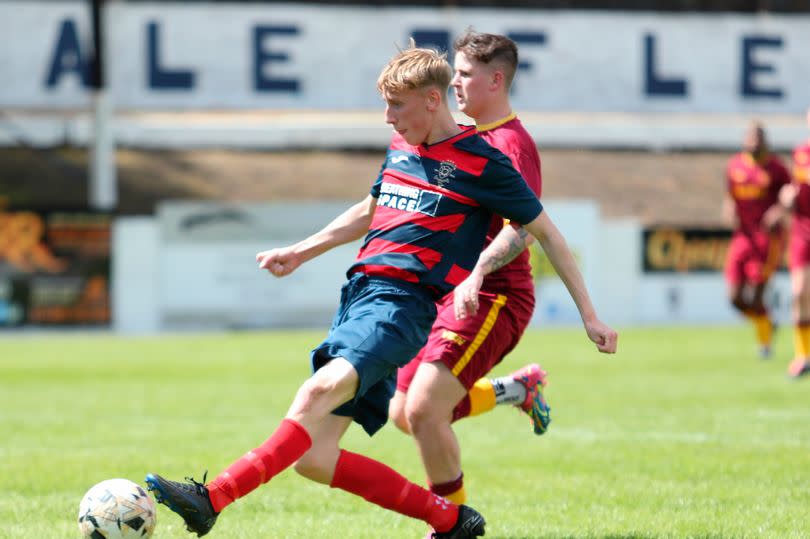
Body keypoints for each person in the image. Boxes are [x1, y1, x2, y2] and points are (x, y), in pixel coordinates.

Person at [144, 44, 617, 539]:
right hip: (357, 300)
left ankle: (213, 497)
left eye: (398, 106)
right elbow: (371, 209)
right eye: (386, 106)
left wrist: (590, 315)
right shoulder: (401, 149)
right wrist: (302, 250)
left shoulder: (484, 161)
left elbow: (545, 231)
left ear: (433, 101)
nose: (388, 119)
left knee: (320, 392)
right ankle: (450, 520)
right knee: (314, 457)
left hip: (401, 307)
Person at [388, 31, 551, 510]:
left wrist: (477, 270)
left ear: (495, 80)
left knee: (423, 410)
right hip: (453, 293)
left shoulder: (510, 145)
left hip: (494, 295)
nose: (455, 82)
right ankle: (518, 389)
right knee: (401, 410)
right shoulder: (461, 137)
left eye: (464, 74)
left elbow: (523, 228)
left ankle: (452, 523)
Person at [722, 122, 790, 358]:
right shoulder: (734, 166)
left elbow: (790, 196)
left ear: (764, 141)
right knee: (734, 298)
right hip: (742, 236)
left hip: (766, 239)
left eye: (757, 138)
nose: (752, 142)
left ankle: (765, 345)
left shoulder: (776, 168)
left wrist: (778, 211)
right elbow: (730, 196)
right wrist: (729, 208)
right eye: (749, 137)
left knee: (758, 293)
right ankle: (766, 322)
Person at [776, 107, 810, 378]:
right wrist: (788, 198)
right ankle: (802, 355)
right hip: (802, 232)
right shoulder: (800, 153)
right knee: (799, 293)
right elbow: (793, 191)